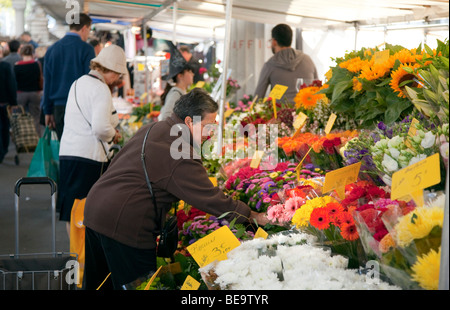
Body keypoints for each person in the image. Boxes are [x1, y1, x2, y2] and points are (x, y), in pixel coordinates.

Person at [82, 88, 269, 289]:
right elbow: (208, 197)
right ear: (189, 122)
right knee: (144, 285)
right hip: (125, 223)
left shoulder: (155, 128)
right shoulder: (178, 149)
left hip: (97, 209)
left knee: (100, 283)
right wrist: (250, 214)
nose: (210, 133)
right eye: (208, 126)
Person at [56, 44, 124, 235]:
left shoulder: (78, 82)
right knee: (87, 211)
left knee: (72, 210)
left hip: (68, 152)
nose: (117, 79)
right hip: (89, 157)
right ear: (111, 71)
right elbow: (101, 127)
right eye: (118, 74)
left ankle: (76, 256)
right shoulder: (100, 89)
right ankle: (84, 259)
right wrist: (114, 135)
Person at [42, 13, 95, 140]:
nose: (88, 34)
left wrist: (47, 111)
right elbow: (90, 80)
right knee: (79, 147)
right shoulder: (86, 49)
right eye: (89, 30)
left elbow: (47, 83)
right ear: (84, 28)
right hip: (80, 107)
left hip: (58, 107)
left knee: (63, 147)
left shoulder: (52, 49)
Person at [254, 23, 318, 103]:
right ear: (291, 40)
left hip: (280, 113)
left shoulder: (270, 65)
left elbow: (258, 97)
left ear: (274, 42)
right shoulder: (308, 60)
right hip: (306, 112)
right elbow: (318, 88)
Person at [14, 44, 43, 136]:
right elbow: (39, 78)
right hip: (34, 93)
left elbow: (15, 81)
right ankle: (36, 138)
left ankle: (22, 138)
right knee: (35, 117)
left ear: (21, 54)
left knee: (19, 117)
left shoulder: (17, 66)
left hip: (20, 93)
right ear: (32, 53)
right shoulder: (36, 64)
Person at [158, 48, 194, 121]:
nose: (192, 74)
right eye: (189, 72)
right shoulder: (175, 94)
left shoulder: (181, 92)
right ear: (180, 76)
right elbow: (165, 117)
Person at [0, 61, 17, 163]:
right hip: (4, 103)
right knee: (5, 127)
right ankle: (3, 149)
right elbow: (11, 84)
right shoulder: (5, 66)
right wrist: (13, 102)